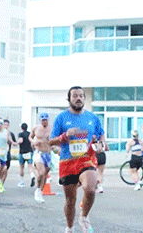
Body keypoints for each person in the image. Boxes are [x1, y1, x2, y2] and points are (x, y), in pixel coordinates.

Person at [49, 86, 105, 233]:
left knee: (91, 189)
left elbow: (101, 136)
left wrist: (100, 145)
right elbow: (51, 141)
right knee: (70, 200)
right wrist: (64, 136)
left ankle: (84, 216)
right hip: (67, 162)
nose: (78, 98)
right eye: (75, 96)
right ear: (69, 99)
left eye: (81, 96)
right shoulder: (61, 117)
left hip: (86, 159)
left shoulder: (93, 118)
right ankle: (70, 227)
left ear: (84, 99)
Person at [30, 112, 52, 203]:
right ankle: (37, 190)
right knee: (41, 173)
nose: (44, 121)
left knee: (45, 175)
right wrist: (33, 142)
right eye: (42, 120)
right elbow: (30, 137)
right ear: (40, 120)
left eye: (45, 120)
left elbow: (57, 138)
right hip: (38, 153)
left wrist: (55, 145)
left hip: (48, 153)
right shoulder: (36, 128)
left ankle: (40, 192)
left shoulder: (52, 128)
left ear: (48, 120)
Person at [17, 122, 34, 188]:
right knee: (30, 166)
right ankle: (32, 176)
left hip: (22, 152)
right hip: (29, 152)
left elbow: (20, 141)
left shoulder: (20, 134)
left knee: (22, 167)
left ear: (21, 128)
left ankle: (22, 182)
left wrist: (16, 143)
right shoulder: (30, 134)